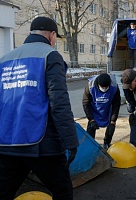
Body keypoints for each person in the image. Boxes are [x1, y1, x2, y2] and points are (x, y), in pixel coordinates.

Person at [0, 16, 79, 199]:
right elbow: (59, 102)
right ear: (52, 35)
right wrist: (71, 141)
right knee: (62, 190)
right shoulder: (50, 55)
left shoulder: (4, 60)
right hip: (41, 144)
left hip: (6, 143)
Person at [82, 73, 121, 150]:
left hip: (107, 110)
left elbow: (116, 104)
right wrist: (91, 119)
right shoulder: (90, 86)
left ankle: (107, 142)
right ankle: (90, 146)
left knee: (111, 128)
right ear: (98, 85)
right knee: (90, 130)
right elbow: (86, 103)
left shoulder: (114, 86)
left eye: (106, 87)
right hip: (94, 110)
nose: (104, 88)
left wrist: (113, 120)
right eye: (102, 87)